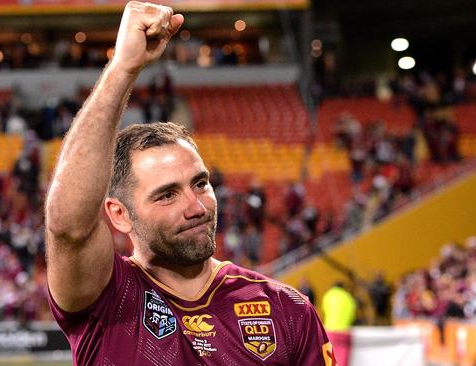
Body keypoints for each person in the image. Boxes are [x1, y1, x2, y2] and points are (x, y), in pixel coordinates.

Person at [45, 2, 335, 365]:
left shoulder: (287, 311)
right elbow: (69, 228)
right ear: (119, 214)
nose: (196, 208)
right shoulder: (107, 298)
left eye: (200, 184)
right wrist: (123, 68)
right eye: (167, 195)